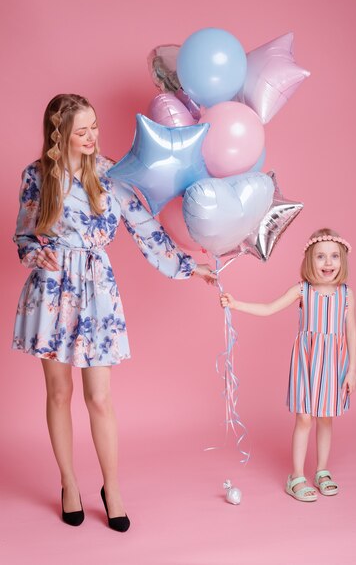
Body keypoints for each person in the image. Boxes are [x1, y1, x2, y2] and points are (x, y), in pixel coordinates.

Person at [12, 93, 215, 531]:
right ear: (59, 133)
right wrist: (36, 256)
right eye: (80, 130)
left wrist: (188, 267)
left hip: (97, 290)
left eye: (94, 127)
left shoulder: (112, 175)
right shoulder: (37, 175)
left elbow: (146, 229)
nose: (91, 137)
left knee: (99, 398)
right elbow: (24, 236)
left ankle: (112, 487)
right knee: (59, 393)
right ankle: (68, 482)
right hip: (52, 291)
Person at [220, 228, 356, 502]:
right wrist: (237, 305)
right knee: (305, 418)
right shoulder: (302, 290)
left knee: (325, 418)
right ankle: (295, 476)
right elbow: (269, 308)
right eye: (320, 256)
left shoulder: (346, 294)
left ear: (342, 260)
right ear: (309, 260)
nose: (328, 263)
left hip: (332, 364)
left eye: (333, 256)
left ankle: (321, 470)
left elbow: (351, 331)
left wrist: (352, 370)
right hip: (307, 363)